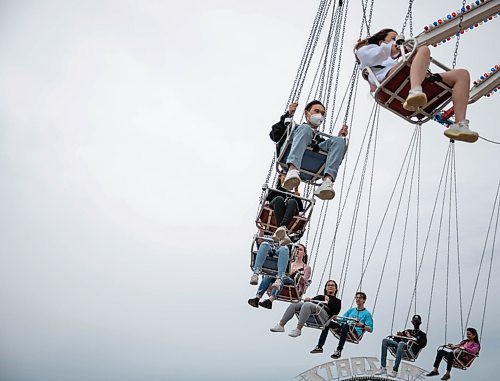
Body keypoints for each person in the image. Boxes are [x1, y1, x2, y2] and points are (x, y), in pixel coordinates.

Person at [354, 28, 478, 143]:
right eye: (393, 38)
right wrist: (397, 47)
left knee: (462, 74)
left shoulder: (392, 60)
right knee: (423, 49)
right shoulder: (364, 52)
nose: (396, 42)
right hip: (389, 81)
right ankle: (414, 92)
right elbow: (377, 54)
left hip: (407, 79)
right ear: (381, 41)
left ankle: (459, 124)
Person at [270, 100, 348, 200]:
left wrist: (340, 137)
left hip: (314, 165)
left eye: (322, 114)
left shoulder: (319, 140)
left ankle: (327, 181)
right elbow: (274, 135)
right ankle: (292, 170)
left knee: (340, 141)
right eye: (316, 111)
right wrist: (288, 115)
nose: (319, 115)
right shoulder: (295, 129)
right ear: (307, 113)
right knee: (305, 129)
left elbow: (334, 153)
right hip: (287, 158)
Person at [310, 291, 373, 358]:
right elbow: (342, 320)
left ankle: (339, 350)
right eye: (356, 298)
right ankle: (319, 346)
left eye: (360, 298)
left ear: (364, 300)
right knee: (328, 323)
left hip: (355, 332)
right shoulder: (351, 310)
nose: (358, 299)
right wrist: (336, 319)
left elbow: (370, 329)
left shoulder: (367, 314)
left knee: (345, 326)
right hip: (344, 327)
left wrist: (362, 325)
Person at [269, 280, 341, 338]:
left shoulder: (337, 301)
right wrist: (308, 299)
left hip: (324, 316)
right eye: (328, 285)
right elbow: (312, 302)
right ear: (326, 288)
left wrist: (328, 302)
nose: (330, 286)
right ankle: (281, 325)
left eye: (332, 285)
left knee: (307, 305)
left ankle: (298, 329)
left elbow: (335, 312)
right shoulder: (320, 297)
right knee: (295, 304)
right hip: (313, 311)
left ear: (335, 288)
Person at [248, 243, 311, 309]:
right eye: (296, 249)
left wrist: (296, 274)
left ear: (304, 254)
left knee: (281, 278)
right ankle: (257, 298)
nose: (297, 251)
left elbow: (304, 281)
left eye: (300, 250)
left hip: (294, 283)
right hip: (283, 279)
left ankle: (271, 299)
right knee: (269, 276)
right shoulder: (289, 263)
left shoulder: (306, 267)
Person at [265, 173, 304, 245]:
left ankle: (281, 228)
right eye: (285, 175)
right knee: (279, 199)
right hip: (276, 206)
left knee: (292, 201)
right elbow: (268, 198)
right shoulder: (275, 190)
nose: (287, 178)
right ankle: (282, 229)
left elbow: (301, 209)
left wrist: (296, 194)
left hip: (290, 211)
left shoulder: (293, 194)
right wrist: (283, 186)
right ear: (280, 177)